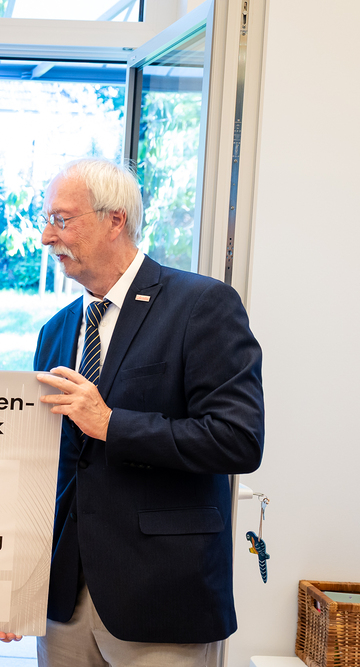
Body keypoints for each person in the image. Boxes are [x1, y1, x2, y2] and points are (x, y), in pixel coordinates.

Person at [27, 158, 264, 666]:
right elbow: (45, 468)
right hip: (64, 603)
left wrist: (112, 425)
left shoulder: (203, 305)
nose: (47, 237)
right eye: (45, 220)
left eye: (61, 220)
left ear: (115, 220)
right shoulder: (56, 331)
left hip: (163, 600)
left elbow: (238, 439)